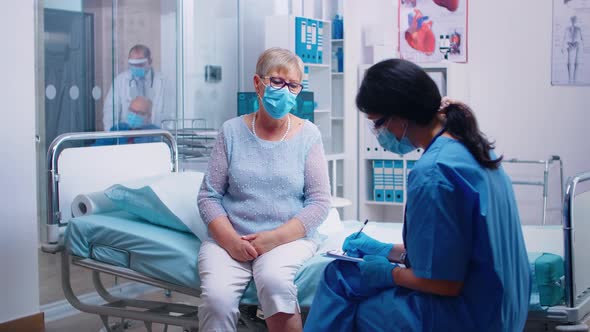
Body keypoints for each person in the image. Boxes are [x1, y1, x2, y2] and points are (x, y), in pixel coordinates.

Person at [304, 59, 531, 332]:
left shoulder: (433, 174)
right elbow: (454, 251)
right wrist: (388, 251)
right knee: (345, 276)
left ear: (401, 116)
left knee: (340, 281)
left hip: (469, 316)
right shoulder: (473, 147)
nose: (378, 133)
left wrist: (391, 273)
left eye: (377, 123)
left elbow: (445, 282)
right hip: (504, 308)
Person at [197, 47, 331, 332]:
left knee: (275, 284)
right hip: (231, 238)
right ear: (258, 84)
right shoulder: (231, 132)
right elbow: (209, 196)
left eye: (293, 85)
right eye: (277, 82)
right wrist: (231, 241)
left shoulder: (308, 135)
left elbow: (319, 203)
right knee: (216, 300)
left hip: (287, 239)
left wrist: (273, 239)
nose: (285, 91)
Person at [102, 44, 168, 131]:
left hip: (156, 136)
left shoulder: (163, 82)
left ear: (150, 61)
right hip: (126, 137)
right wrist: (112, 137)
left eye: (140, 64)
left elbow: (170, 114)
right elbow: (110, 113)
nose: (136, 67)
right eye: (132, 64)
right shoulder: (120, 81)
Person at [562, 15, 584, 83]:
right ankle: (569, 77)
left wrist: (579, 44)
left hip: (576, 46)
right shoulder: (566, 29)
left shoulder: (578, 29)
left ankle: (574, 78)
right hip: (569, 46)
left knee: (576, 62)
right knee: (568, 61)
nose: (573, 21)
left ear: (576, 20)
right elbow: (564, 39)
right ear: (570, 20)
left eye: (574, 20)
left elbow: (581, 39)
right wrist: (563, 47)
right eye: (572, 19)